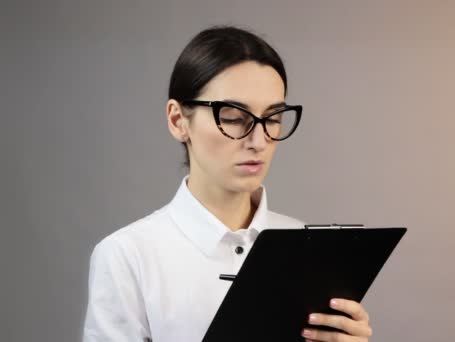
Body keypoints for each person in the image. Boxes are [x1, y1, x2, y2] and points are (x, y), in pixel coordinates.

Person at [83, 26, 373, 342]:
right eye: (234, 117)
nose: (259, 141)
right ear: (179, 120)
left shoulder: (307, 246)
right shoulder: (128, 256)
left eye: (273, 117)